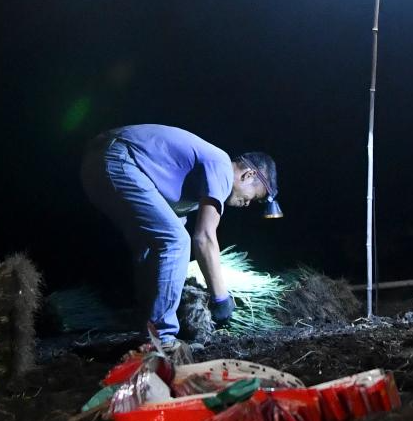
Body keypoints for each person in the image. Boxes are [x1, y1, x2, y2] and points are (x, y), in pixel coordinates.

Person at [80, 124, 281, 348]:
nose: (248, 204)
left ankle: (147, 329)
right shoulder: (222, 166)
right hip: (117, 158)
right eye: (255, 197)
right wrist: (221, 298)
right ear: (249, 174)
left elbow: (168, 242)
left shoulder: (192, 189)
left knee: (152, 247)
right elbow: (204, 238)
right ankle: (162, 339)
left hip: (97, 163)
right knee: (176, 241)